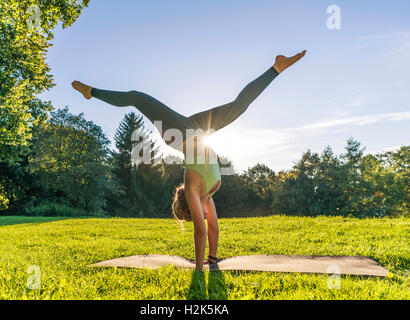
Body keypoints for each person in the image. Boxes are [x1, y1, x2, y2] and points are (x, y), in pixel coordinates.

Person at [72, 50, 306, 271]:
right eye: (202, 214)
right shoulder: (209, 195)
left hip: (177, 132)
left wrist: (197, 269)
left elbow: (200, 232)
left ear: (191, 206)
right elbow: (212, 229)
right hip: (198, 129)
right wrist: (211, 260)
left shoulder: (193, 185)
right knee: (239, 106)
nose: (204, 215)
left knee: (137, 98)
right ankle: (276, 67)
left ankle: (91, 92)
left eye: (197, 214)